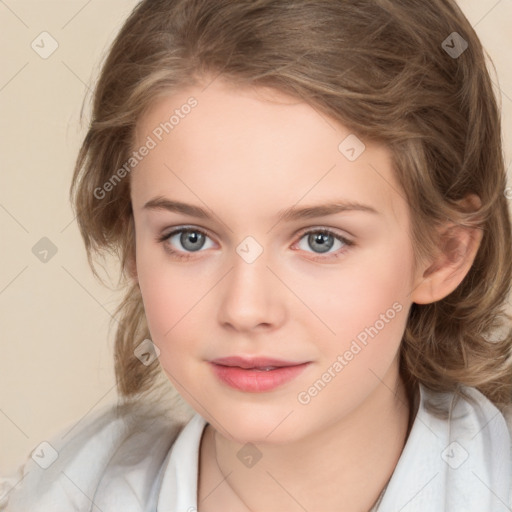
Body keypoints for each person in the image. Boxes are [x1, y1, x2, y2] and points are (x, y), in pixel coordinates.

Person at [1, 0, 511, 510]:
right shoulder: (55, 492)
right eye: (190, 238)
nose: (245, 309)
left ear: (444, 254)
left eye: (320, 240)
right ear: (131, 239)